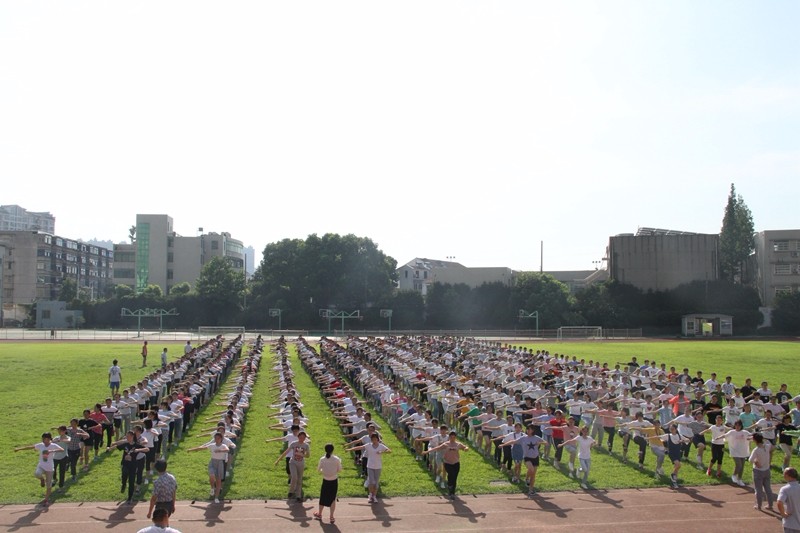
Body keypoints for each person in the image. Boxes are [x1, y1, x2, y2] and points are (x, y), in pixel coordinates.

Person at [14, 432, 65, 506]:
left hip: (50, 468)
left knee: (49, 485)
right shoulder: (41, 445)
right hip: (41, 465)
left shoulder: (53, 445)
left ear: (49, 439)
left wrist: (52, 451)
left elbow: (62, 449)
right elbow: (31, 447)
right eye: (43, 439)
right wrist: (19, 449)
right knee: (37, 474)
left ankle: (46, 499)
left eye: (46, 439)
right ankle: (42, 479)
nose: (44, 440)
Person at [346, 432, 391, 503]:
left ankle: (374, 496)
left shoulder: (381, 446)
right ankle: (370, 495)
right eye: (372, 439)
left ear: (378, 439)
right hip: (370, 466)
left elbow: (389, 450)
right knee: (371, 481)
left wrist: (381, 452)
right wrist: (350, 449)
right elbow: (359, 447)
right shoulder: (368, 445)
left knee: (376, 482)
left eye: (375, 439)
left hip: (378, 466)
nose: (374, 441)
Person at [423, 431, 468, 500]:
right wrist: (427, 451)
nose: (452, 438)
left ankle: (452, 493)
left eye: (454, 437)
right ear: (449, 437)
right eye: (451, 437)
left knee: (454, 478)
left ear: (455, 437)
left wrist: (466, 449)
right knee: (451, 475)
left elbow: (465, 447)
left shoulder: (458, 444)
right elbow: (437, 448)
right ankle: (449, 485)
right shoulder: (446, 444)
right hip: (447, 463)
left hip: (456, 463)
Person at [187, 432, 230, 503]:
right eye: (215, 438)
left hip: (220, 463)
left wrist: (220, 450)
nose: (216, 439)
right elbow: (202, 448)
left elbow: (227, 450)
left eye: (218, 438)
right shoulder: (212, 445)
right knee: (212, 475)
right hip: (213, 462)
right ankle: (212, 488)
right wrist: (191, 449)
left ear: (221, 439)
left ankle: (216, 498)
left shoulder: (223, 445)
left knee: (219, 481)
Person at [108, 431, 149, 504]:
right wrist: (110, 448)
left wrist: (138, 450)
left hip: (133, 466)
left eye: (128, 436)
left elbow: (147, 449)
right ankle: (123, 484)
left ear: (132, 436)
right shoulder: (125, 444)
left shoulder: (137, 445)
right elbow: (117, 447)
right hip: (125, 464)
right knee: (124, 474)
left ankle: (129, 498)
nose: (126, 438)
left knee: (131, 481)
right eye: (126, 436)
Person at [275, 430, 310, 503]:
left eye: (303, 437)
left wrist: (302, 455)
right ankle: (291, 491)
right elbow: (286, 452)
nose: (302, 439)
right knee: (294, 477)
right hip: (293, 462)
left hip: (301, 464)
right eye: (300, 437)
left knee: (300, 480)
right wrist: (278, 460)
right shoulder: (294, 444)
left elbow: (308, 455)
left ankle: (298, 496)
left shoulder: (306, 445)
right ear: (298, 437)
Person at [314, 443, 342, 524]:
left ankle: (319, 514)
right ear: (332, 450)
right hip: (334, 481)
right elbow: (339, 470)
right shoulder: (336, 459)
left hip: (325, 480)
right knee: (333, 498)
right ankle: (331, 516)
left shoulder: (322, 459)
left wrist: (324, 471)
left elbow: (318, 470)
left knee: (323, 497)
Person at [749, 433, 775, 511]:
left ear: (754, 440)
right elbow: (773, 447)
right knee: (768, 489)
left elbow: (750, 460)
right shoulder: (767, 446)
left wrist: (755, 462)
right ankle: (770, 505)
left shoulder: (756, 450)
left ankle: (759, 505)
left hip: (758, 471)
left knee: (758, 489)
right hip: (767, 470)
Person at [777, 467, 800, 533]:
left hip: (791, 524)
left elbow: (779, 502)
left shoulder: (785, 489)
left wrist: (783, 514)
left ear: (787, 475)